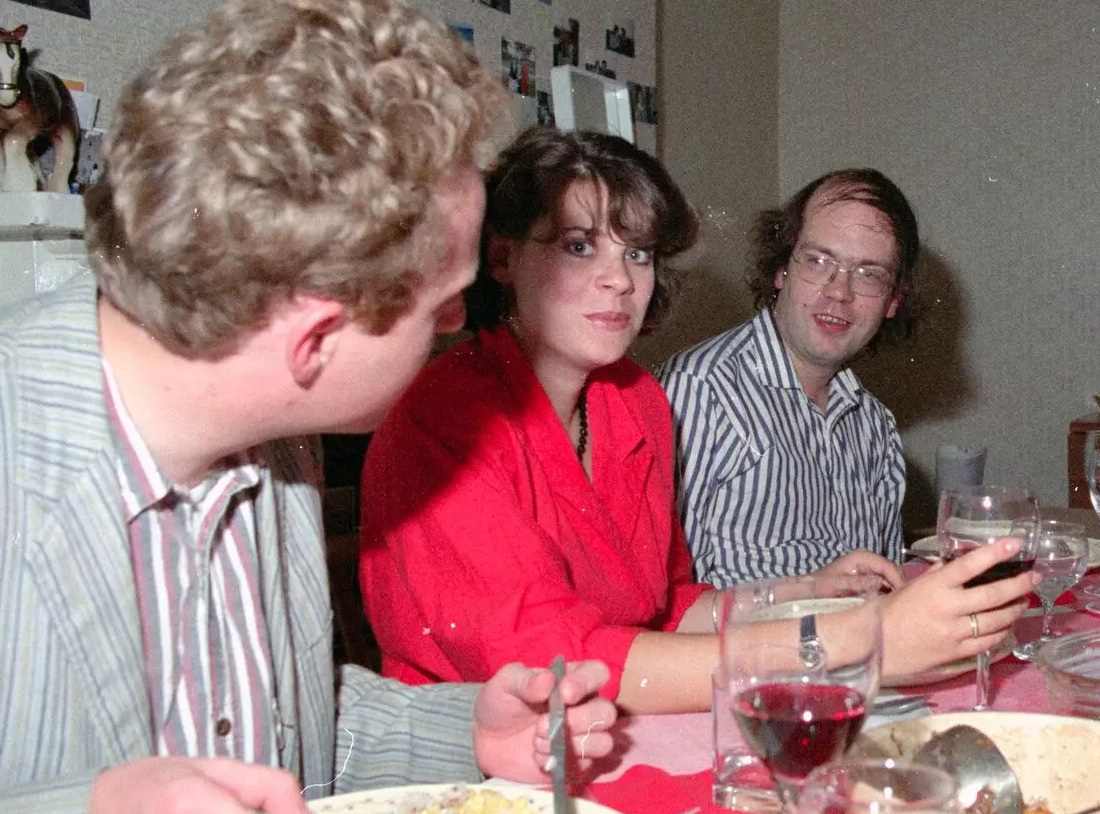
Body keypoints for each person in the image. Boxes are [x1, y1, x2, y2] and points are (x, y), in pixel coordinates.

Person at [0, 0, 616, 814]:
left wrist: (460, 731)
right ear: (316, 337)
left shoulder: (275, 441)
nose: (461, 324)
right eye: (443, 303)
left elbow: (275, 730)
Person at [360, 132, 1035, 714]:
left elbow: (669, 606)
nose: (619, 280)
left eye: (639, 253)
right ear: (503, 259)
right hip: (479, 779)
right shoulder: (445, 419)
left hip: (608, 733)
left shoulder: (631, 400)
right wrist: (864, 636)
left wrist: (798, 592)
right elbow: (559, 661)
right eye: (577, 246)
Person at [657, 168, 918, 589]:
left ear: (893, 301)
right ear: (781, 270)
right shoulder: (700, 391)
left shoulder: (876, 427)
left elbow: (885, 596)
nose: (839, 292)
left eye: (869, 273)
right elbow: (663, 602)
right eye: (818, 261)